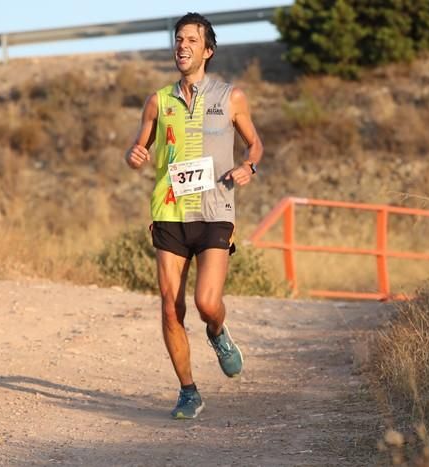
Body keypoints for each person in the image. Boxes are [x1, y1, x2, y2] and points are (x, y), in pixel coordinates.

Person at [124, 12, 263, 420]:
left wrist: (248, 167)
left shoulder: (231, 97)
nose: (181, 46)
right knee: (170, 307)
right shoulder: (158, 101)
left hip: (216, 209)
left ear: (208, 50)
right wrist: (135, 156)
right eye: (177, 39)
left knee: (206, 303)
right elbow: (138, 150)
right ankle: (188, 391)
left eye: (190, 40)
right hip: (168, 210)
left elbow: (256, 145)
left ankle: (218, 332)